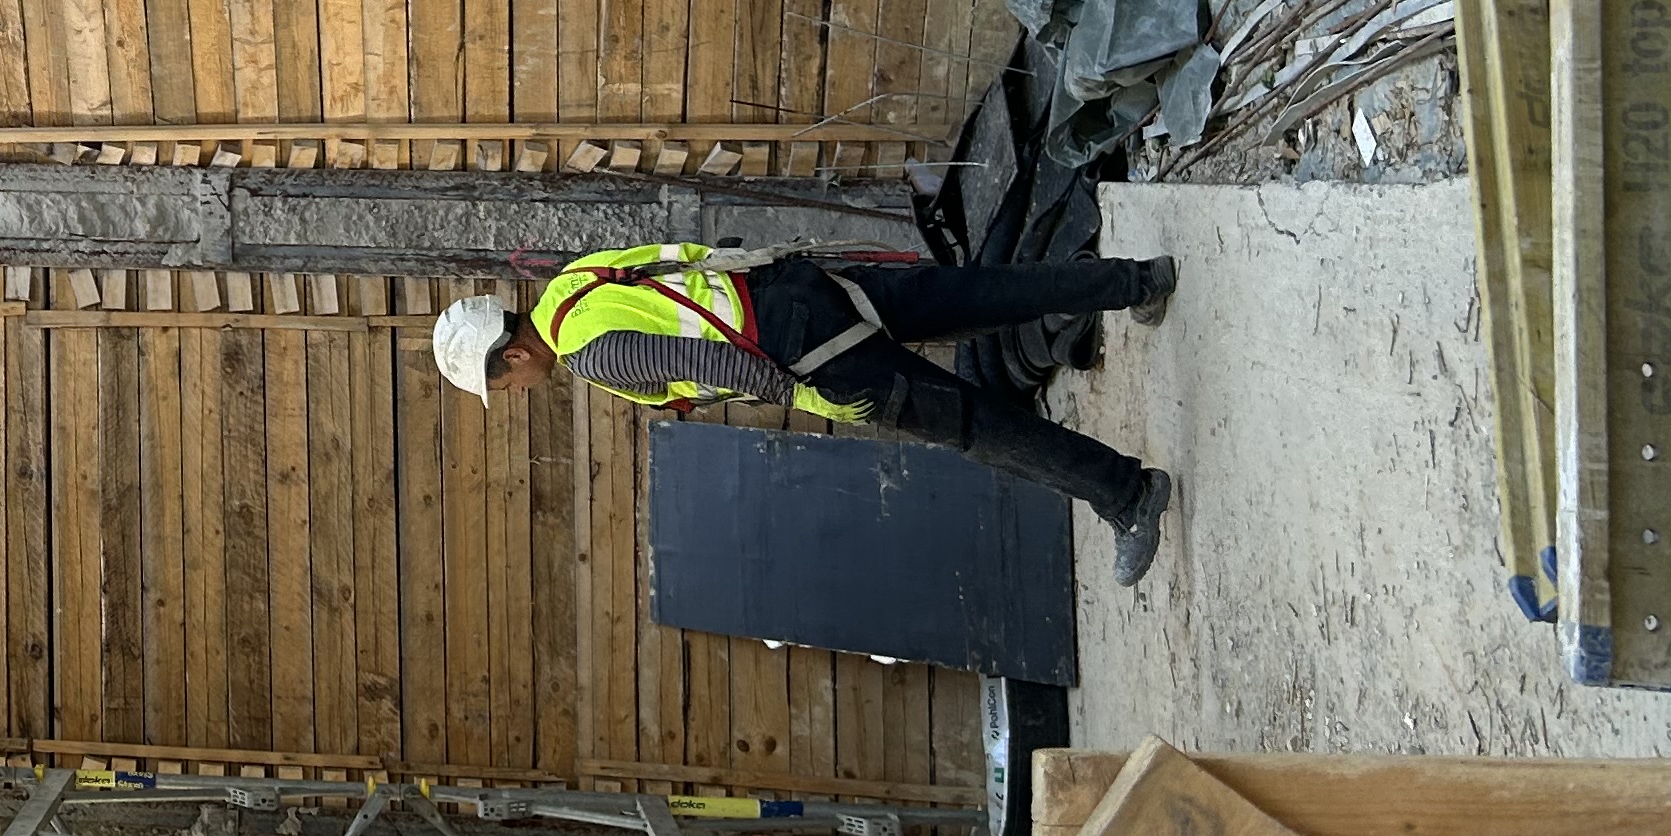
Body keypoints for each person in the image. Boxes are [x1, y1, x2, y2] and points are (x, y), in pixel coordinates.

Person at [431, 245, 1181, 583]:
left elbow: (714, 365)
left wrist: (810, 396)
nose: (516, 395)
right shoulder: (573, 284)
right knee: (974, 294)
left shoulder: (592, 355)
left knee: (972, 427)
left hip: (803, 352)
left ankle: (1128, 494)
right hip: (794, 287)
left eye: (505, 387)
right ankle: (1138, 280)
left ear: (514, 358)